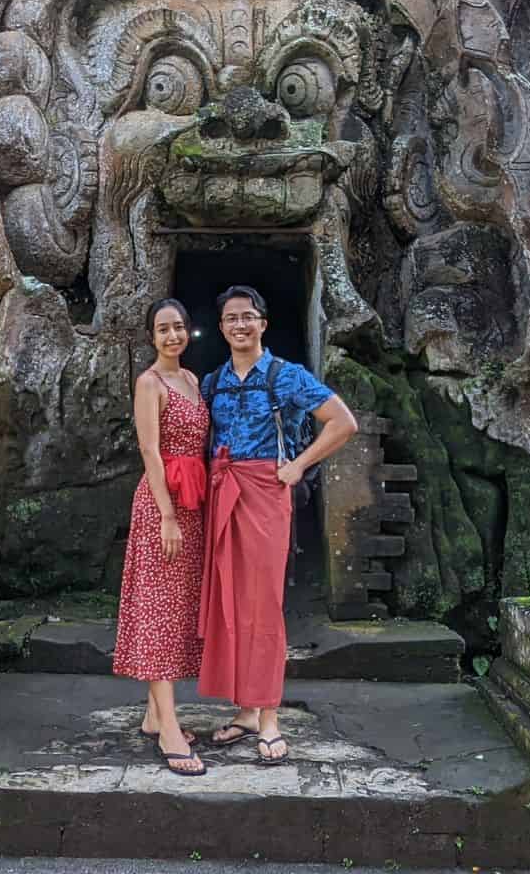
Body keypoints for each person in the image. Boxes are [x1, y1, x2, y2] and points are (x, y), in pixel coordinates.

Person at [199, 285, 358, 766]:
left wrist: (298, 467)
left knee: (264, 605)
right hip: (221, 490)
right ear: (222, 327)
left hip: (267, 493)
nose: (239, 325)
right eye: (231, 318)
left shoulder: (286, 376)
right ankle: (245, 711)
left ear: (263, 323)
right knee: (230, 601)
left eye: (248, 316)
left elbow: (342, 422)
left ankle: (269, 717)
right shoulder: (212, 382)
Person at [112, 298, 209, 776]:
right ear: (152, 337)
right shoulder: (149, 383)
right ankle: (168, 726)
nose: (172, 336)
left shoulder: (191, 381)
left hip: (193, 503)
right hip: (162, 504)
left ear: (188, 332)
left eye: (178, 327)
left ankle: (154, 715)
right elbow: (150, 451)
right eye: (162, 329)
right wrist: (167, 516)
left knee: (178, 609)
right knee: (158, 611)